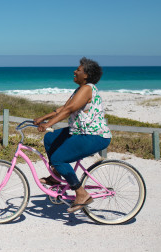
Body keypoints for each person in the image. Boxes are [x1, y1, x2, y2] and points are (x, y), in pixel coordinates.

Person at [33, 57, 112, 213]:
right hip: (79, 131)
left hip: (94, 135)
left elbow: (68, 111)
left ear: (87, 75)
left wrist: (48, 124)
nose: (74, 71)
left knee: (58, 158)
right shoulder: (79, 89)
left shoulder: (87, 89)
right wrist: (43, 118)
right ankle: (56, 175)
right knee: (50, 138)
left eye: (78, 70)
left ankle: (81, 194)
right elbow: (63, 108)